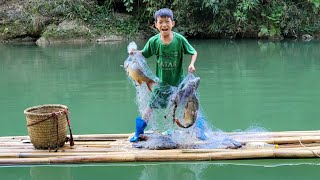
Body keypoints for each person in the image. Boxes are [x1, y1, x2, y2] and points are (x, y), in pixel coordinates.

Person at [130, 8, 207, 142]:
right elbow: (144, 53)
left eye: (167, 22)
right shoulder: (154, 41)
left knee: (190, 106)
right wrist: (135, 52)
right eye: (161, 22)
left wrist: (192, 64)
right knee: (150, 107)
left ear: (173, 24)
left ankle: (200, 131)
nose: (164, 25)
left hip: (179, 83)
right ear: (156, 25)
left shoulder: (180, 40)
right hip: (161, 84)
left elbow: (193, 52)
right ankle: (138, 132)